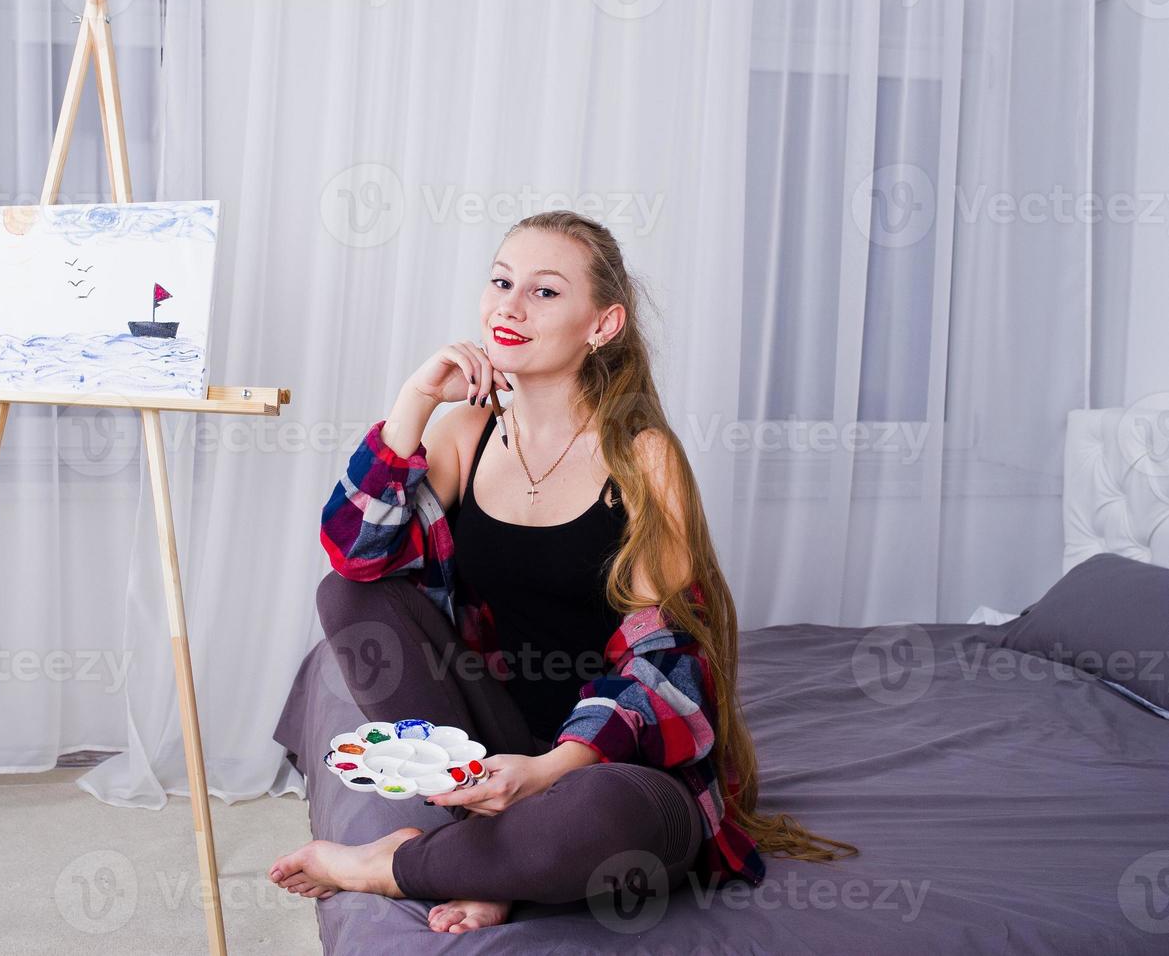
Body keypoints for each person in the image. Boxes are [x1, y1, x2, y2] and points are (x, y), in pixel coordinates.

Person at [269, 211, 858, 934]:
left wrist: (548, 771)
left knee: (599, 822)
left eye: (544, 292)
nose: (508, 307)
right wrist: (414, 401)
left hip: (605, 764)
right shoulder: (465, 433)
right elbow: (355, 553)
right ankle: (487, 839)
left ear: (602, 325)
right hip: (490, 743)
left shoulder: (642, 458)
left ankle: (399, 861)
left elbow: (665, 659)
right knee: (350, 593)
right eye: (500, 281)